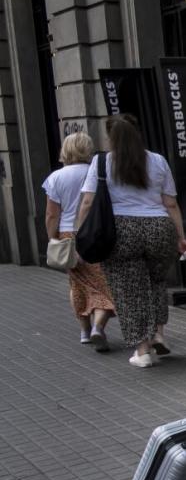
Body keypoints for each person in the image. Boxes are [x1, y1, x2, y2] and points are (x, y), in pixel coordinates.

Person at [78, 115, 186, 368]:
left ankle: (143, 350)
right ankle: (159, 333)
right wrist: (180, 237)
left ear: (110, 137)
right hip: (159, 228)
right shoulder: (158, 161)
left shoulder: (102, 162)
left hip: (121, 231)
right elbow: (170, 203)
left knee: (130, 291)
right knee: (156, 282)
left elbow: (87, 202)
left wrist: (80, 236)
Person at [43, 131, 115, 349]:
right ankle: (98, 327)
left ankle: (84, 331)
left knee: (77, 284)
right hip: (95, 233)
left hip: (67, 235)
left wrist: (52, 238)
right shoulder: (99, 172)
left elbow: (51, 214)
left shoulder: (55, 178)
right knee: (103, 284)